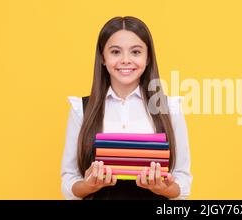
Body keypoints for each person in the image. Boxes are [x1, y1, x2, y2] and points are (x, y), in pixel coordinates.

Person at [60, 16, 192, 200]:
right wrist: (88, 185)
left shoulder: (170, 108)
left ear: (147, 58)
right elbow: (69, 182)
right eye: (115, 52)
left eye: (136, 52)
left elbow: (182, 183)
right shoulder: (81, 109)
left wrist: (163, 189)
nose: (125, 60)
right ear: (103, 58)